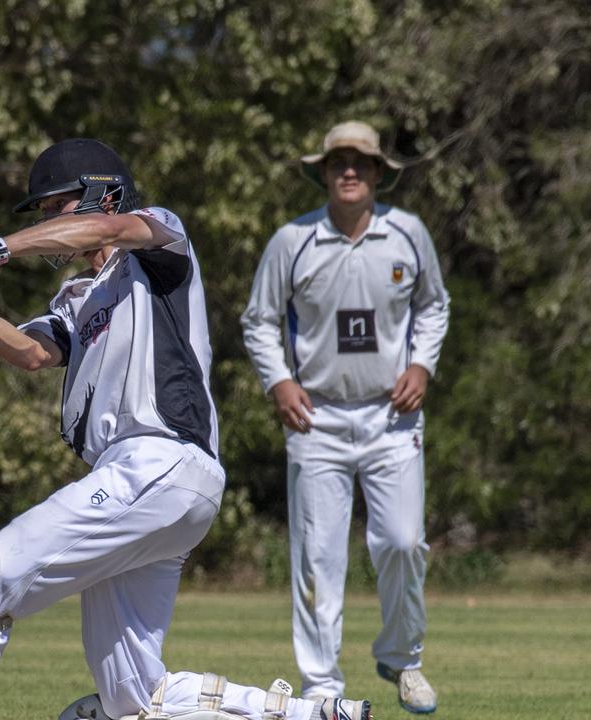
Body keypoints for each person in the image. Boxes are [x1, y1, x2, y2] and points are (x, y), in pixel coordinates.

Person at [0, 138, 373, 720]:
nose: (46, 221)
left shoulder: (159, 239)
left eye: (54, 206)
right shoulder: (77, 297)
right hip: (141, 486)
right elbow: (32, 353)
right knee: (133, 698)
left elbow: (101, 232)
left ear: (98, 194)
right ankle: (316, 715)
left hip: (161, 461)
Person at [239, 121, 450, 714]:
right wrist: (279, 381)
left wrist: (422, 367)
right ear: (324, 172)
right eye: (339, 162)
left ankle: (403, 659)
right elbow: (259, 319)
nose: (349, 171)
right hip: (317, 420)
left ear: (379, 172)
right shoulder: (293, 240)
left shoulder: (408, 234)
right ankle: (321, 690)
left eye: (360, 161)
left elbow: (434, 306)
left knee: (404, 543)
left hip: (392, 417)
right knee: (317, 557)